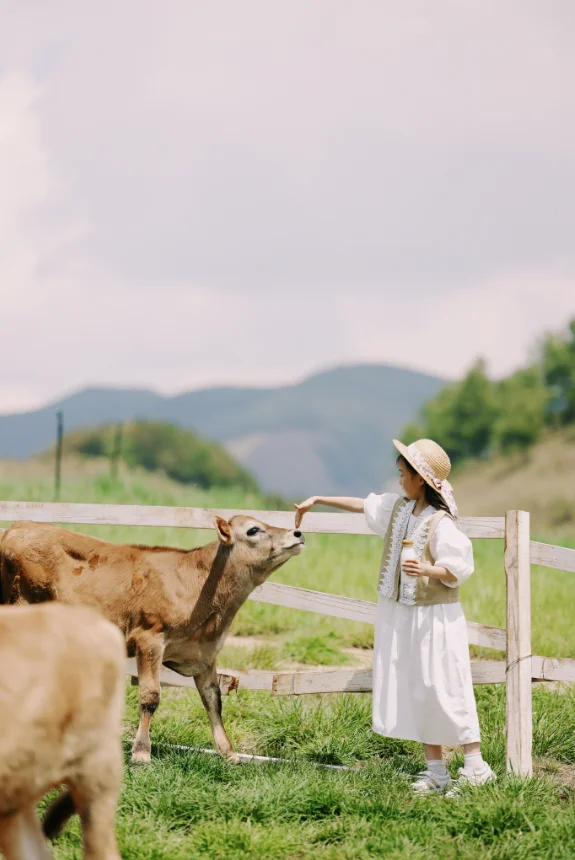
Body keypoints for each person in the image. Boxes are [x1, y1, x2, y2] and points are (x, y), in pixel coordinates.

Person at [294, 438, 496, 795]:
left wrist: (427, 570)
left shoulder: (441, 522)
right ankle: (436, 771)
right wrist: (319, 499)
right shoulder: (400, 510)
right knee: (418, 687)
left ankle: (476, 766)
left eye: (404, 474)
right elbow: (363, 505)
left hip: (436, 618)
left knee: (446, 684)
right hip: (403, 614)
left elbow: (459, 566)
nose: (399, 479)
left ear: (421, 479)